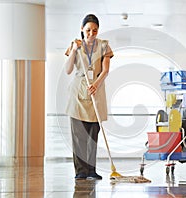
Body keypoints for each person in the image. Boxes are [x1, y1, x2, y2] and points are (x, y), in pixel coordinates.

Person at [64, 14, 113, 180]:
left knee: (93, 135)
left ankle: (91, 171)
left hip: (95, 92)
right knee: (79, 137)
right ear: (82, 29)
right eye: (88, 30)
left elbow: (105, 70)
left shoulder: (104, 46)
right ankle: (80, 171)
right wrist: (73, 51)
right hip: (78, 93)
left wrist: (96, 84)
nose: (91, 33)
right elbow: (68, 70)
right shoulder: (75, 45)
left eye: (94, 30)